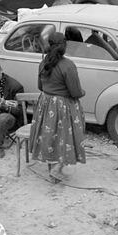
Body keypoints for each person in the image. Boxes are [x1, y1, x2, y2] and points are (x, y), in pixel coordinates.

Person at [30, 32, 86, 183]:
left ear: (49, 45)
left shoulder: (43, 63)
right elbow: (75, 92)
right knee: (64, 138)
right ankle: (58, 171)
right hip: (63, 106)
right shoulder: (68, 65)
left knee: (50, 138)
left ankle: (53, 171)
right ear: (64, 45)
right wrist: (82, 92)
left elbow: (40, 86)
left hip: (46, 103)